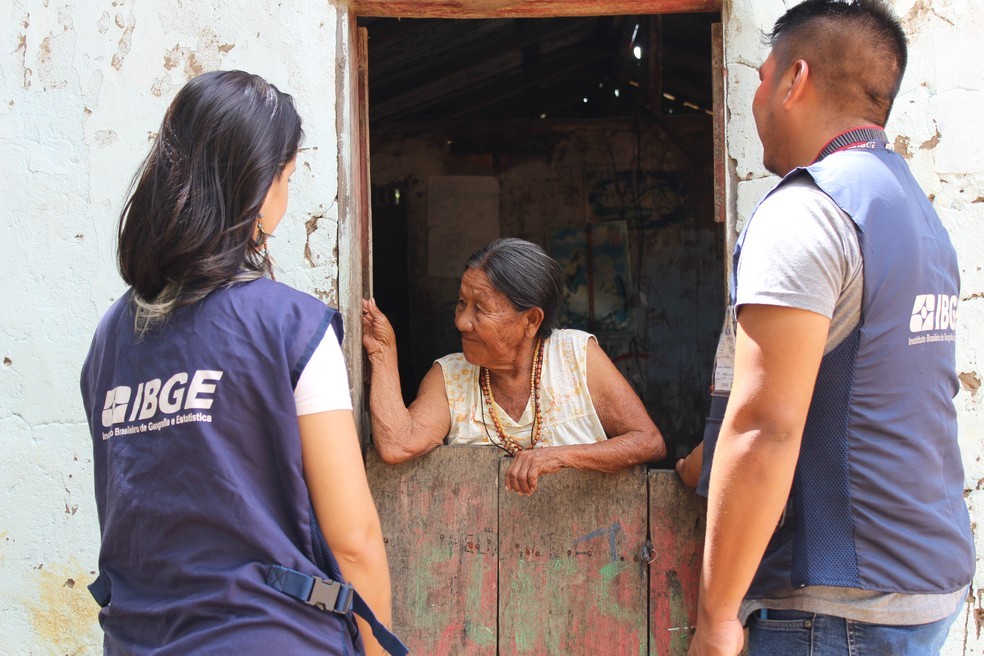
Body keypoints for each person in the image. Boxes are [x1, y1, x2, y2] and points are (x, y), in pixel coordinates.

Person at [80, 70, 404, 656]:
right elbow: (353, 540)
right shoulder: (292, 325)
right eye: (287, 178)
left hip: (134, 640)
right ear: (259, 185)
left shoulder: (111, 336)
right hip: (270, 637)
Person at [689, 2, 974, 655]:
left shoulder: (808, 210)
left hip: (838, 608)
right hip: (922, 584)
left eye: (762, 77)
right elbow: (853, 391)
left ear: (795, 80)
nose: (756, 97)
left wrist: (717, 616)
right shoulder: (912, 210)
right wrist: (700, 464)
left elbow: (765, 427)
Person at [361, 237, 666, 496]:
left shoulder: (575, 356)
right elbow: (397, 445)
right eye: (461, 303)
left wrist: (560, 457)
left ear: (531, 320)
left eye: (480, 309)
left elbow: (648, 441)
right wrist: (383, 352)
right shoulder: (450, 377)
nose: (461, 322)